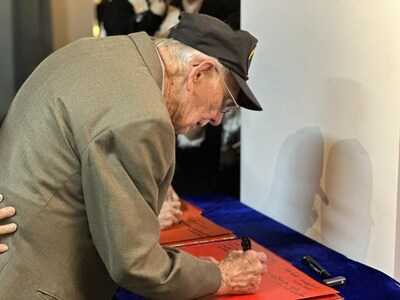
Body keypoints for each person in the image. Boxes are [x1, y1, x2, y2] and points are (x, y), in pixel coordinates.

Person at [0, 13, 265, 299]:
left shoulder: (96, 51)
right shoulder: (143, 118)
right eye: (225, 104)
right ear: (199, 72)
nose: (215, 119)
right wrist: (221, 277)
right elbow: (136, 264)